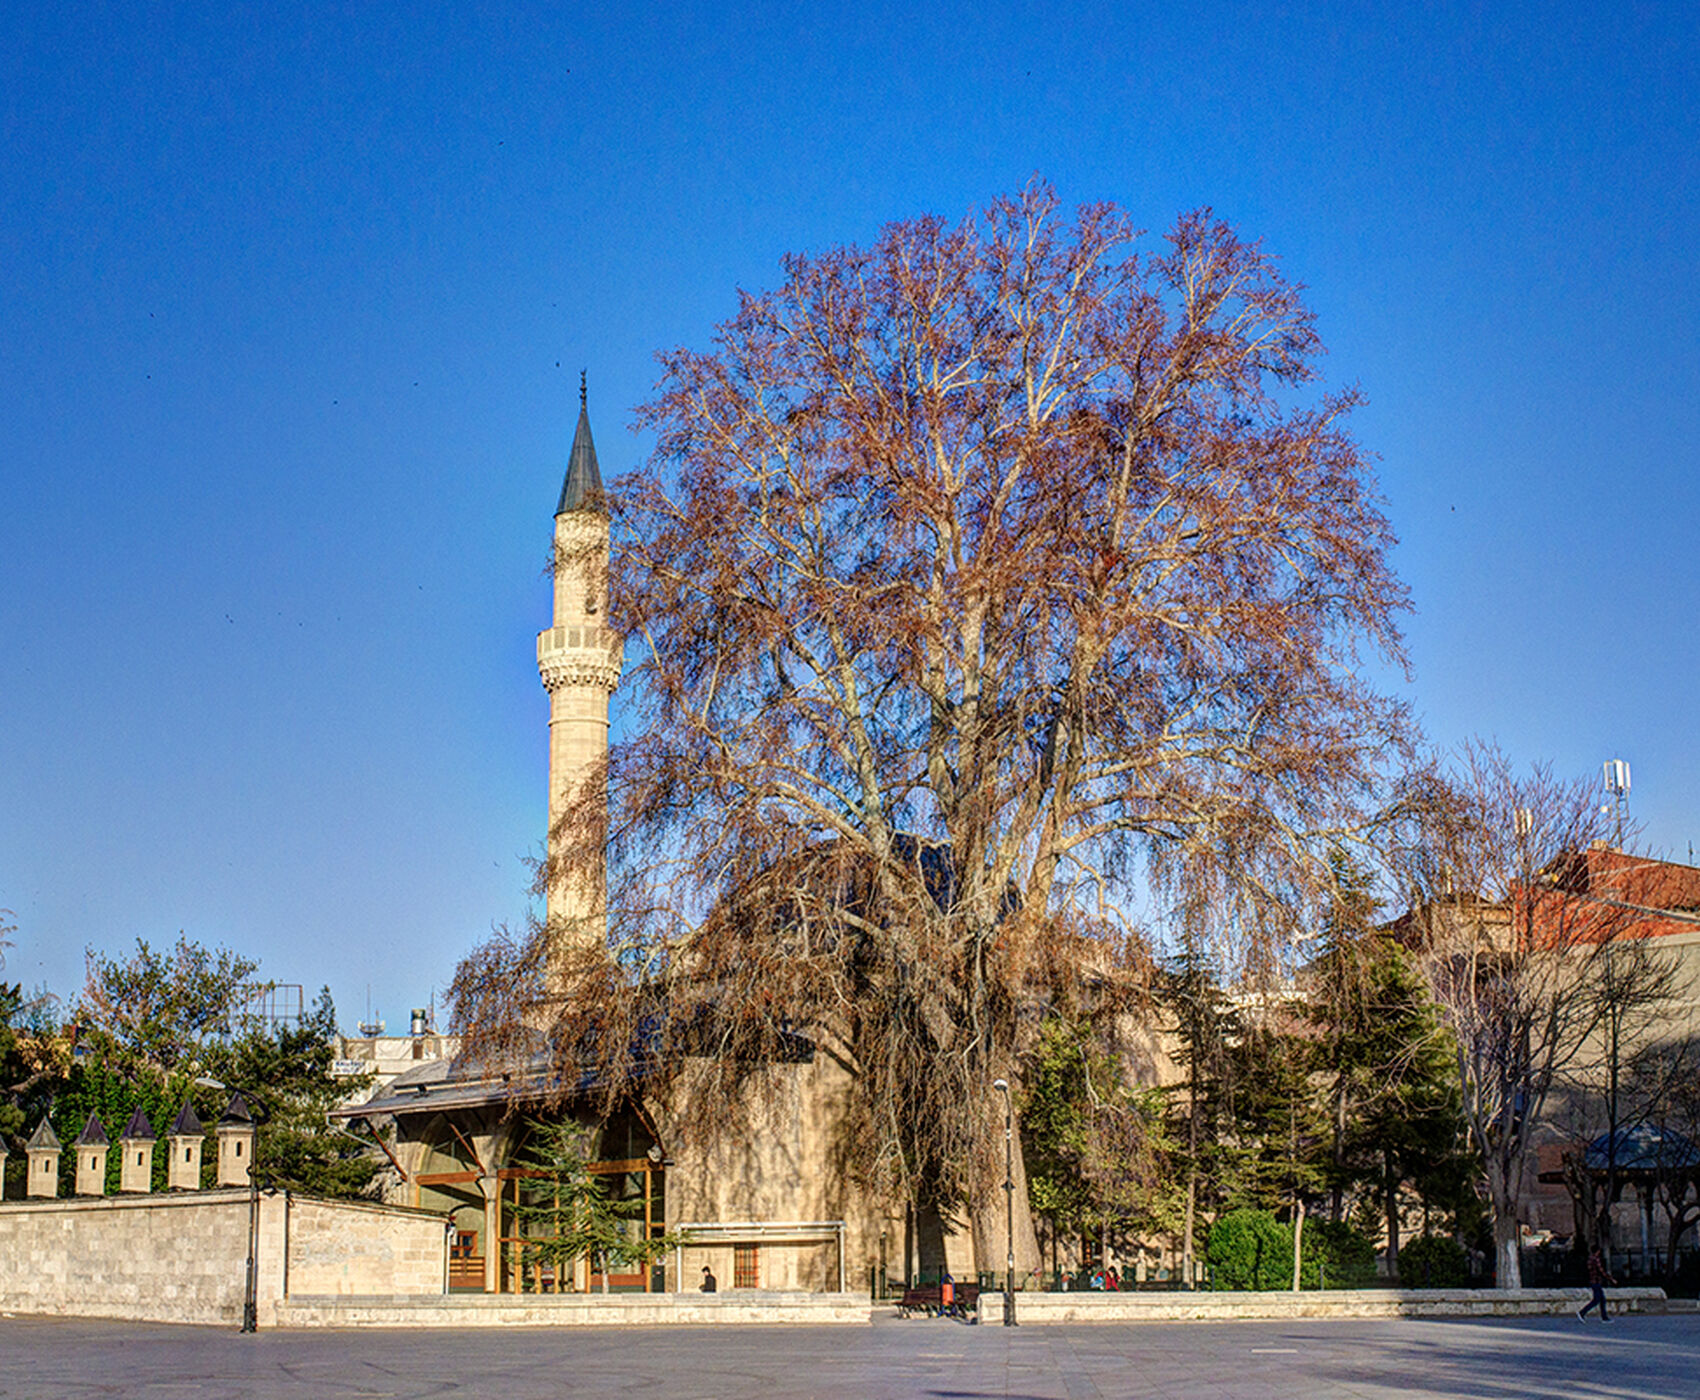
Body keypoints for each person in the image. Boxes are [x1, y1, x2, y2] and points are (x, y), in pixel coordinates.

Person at [1577, 1247, 1613, 1321]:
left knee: (1602, 1299)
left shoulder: (1590, 1259)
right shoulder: (1596, 1259)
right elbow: (1601, 1270)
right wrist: (1610, 1278)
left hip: (1593, 1280)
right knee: (1597, 1300)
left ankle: (1604, 1317)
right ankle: (1582, 1312)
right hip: (1596, 1281)